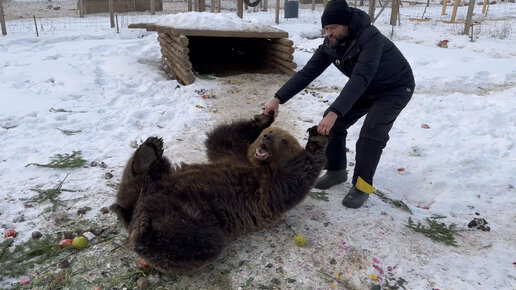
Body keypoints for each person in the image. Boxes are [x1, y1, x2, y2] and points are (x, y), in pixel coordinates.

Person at [263, 0, 415, 209]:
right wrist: (278, 98)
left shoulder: (370, 38)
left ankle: (362, 186)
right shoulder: (331, 45)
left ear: (346, 25)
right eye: (326, 28)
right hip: (366, 88)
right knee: (333, 124)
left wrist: (335, 111)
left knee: (371, 133)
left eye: (333, 27)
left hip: (394, 89)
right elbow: (308, 73)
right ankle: (336, 171)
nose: (329, 33)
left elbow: (360, 77)